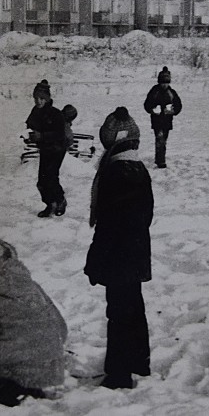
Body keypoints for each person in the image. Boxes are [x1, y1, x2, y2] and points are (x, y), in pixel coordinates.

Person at [85, 107, 154, 389]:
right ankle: (139, 362)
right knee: (133, 307)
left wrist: (96, 259)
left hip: (119, 254)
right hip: (135, 249)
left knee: (119, 312)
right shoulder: (137, 167)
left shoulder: (116, 171)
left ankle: (119, 374)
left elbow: (108, 224)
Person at [0, 239, 67, 407]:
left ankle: (7, 386)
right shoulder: (33, 286)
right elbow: (61, 327)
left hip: (11, 364)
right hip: (49, 367)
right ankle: (31, 386)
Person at [25, 79, 67, 217]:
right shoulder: (36, 111)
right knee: (41, 181)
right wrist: (27, 133)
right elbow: (29, 123)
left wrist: (42, 136)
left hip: (57, 149)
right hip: (45, 149)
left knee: (51, 178)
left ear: (47, 99)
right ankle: (50, 204)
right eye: (36, 98)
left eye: (42, 98)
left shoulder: (55, 113)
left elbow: (60, 134)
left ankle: (60, 201)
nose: (38, 101)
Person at [143, 67, 183, 169]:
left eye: (166, 83)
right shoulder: (154, 91)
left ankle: (159, 158)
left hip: (167, 121)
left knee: (163, 140)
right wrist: (152, 109)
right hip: (157, 121)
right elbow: (147, 104)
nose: (165, 85)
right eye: (163, 82)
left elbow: (178, 105)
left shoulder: (171, 92)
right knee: (160, 139)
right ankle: (161, 161)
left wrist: (173, 111)